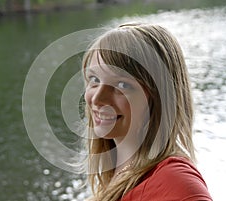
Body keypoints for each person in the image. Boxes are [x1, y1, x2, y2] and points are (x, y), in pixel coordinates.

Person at [81, 22, 212, 201]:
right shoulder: (122, 174)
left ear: (160, 98)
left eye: (121, 84)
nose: (96, 98)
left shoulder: (177, 183)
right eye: (94, 79)